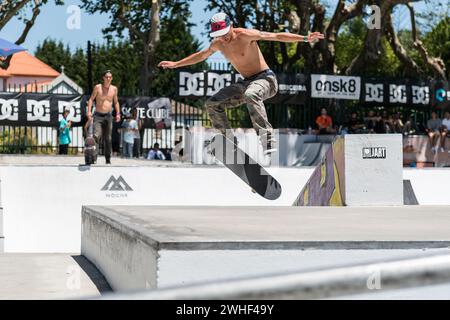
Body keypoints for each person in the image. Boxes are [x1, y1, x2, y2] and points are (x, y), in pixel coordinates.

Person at [158, 12, 324, 156]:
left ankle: (267, 140)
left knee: (251, 94)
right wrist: (176, 64)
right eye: (220, 35)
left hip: (266, 79)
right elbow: (201, 56)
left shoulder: (245, 34)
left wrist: (304, 38)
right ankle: (229, 141)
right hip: (246, 83)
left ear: (232, 25)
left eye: (226, 33)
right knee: (212, 104)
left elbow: (276, 36)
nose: (224, 37)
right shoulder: (217, 43)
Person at [86, 70, 121, 164]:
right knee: (96, 136)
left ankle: (108, 159)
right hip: (98, 115)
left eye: (110, 77)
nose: (108, 78)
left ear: (112, 78)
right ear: (103, 78)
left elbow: (116, 102)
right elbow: (91, 99)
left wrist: (118, 113)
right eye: (107, 77)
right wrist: (89, 111)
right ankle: (94, 157)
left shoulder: (114, 89)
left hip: (108, 116)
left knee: (108, 138)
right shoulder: (98, 87)